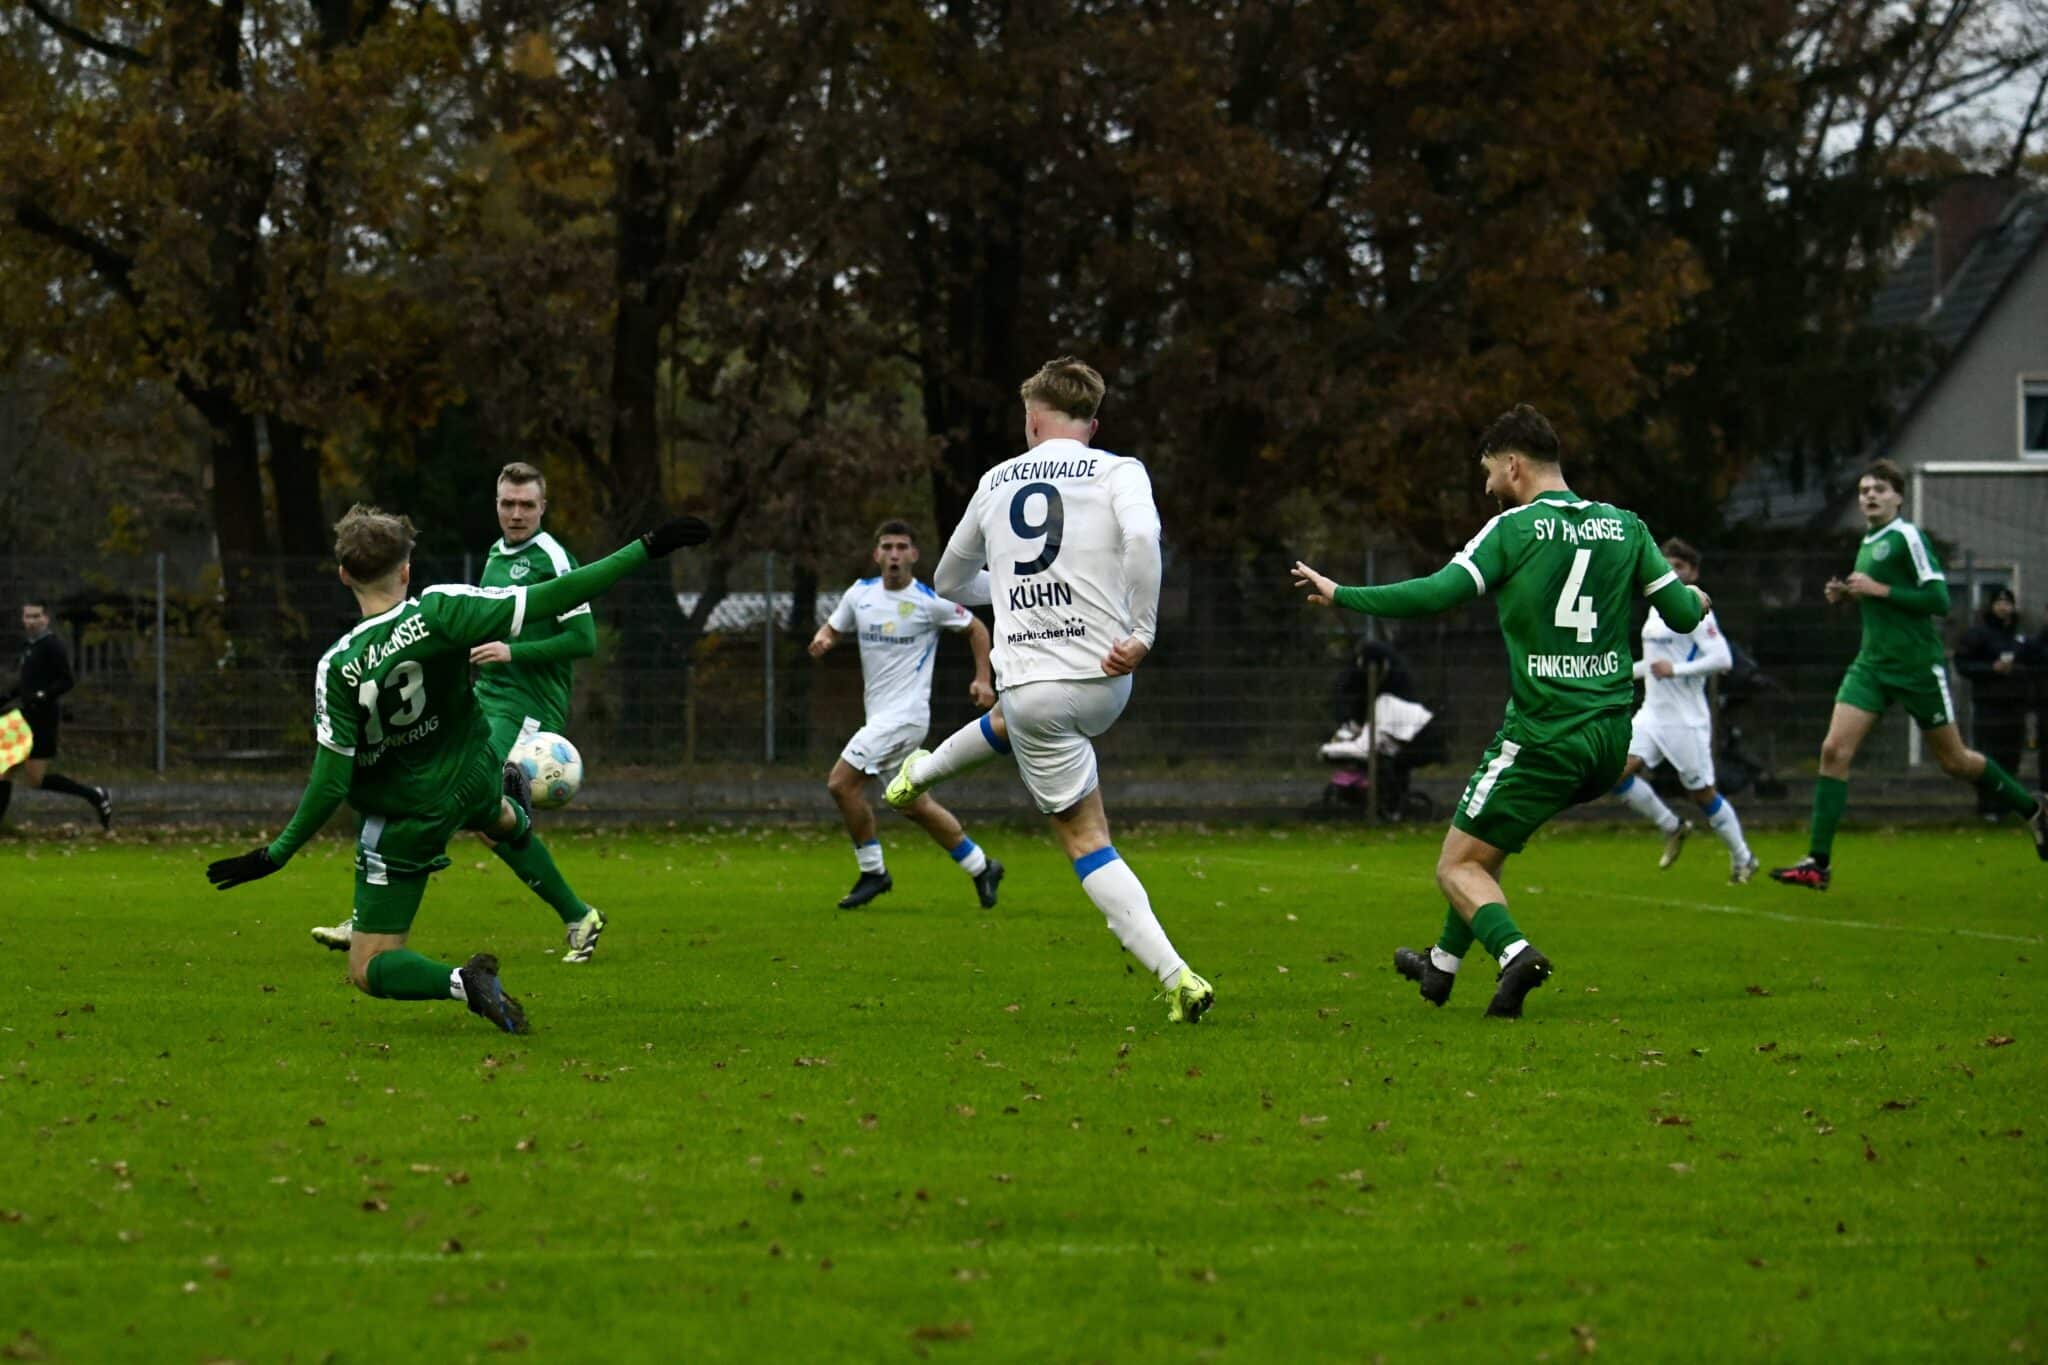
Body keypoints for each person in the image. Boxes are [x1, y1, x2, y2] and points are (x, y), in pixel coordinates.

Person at [205, 504, 710, 1035]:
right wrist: (647, 545)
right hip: (472, 775)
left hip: (408, 819)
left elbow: (331, 781)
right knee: (491, 814)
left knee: (369, 966)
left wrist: (275, 853)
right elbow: (555, 596)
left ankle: (464, 983)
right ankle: (512, 808)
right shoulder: (440, 610)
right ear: (406, 570)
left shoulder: (338, 665)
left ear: (343, 576)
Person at [1293, 403, 1711, 1018]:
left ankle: (1515, 954)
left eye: (1490, 473)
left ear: (1514, 465)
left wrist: (1343, 593)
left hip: (1544, 735)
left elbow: (1438, 592)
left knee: (1455, 865)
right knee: (1486, 849)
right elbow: (1680, 615)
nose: (1488, 488)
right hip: (1609, 742)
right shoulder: (1627, 527)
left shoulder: (1514, 530)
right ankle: (1440, 968)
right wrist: (1695, 597)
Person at [893, 356, 1214, 1023]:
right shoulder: (1120, 468)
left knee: (1084, 835)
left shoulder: (995, 480)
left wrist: (1006, 594)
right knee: (1025, 720)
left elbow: (949, 584)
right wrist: (1145, 632)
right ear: (1092, 424)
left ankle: (1176, 975)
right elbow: (1145, 538)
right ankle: (916, 775)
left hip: (1038, 687)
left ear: (1034, 419)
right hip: (1107, 675)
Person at [309, 462, 608, 961]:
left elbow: (585, 639)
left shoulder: (553, 557)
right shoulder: (495, 555)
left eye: (527, 505)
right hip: (487, 698)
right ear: (496, 505)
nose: (516, 514)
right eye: (508, 504)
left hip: (529, 705)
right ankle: (578, 916)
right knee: (464, 804)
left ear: (543, 508)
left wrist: (513, 653)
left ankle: (577, 915)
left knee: (454, 800)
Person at [1770, 461, 2046, 889]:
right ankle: (1817, 864)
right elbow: (1879, 599)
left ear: (1899, 496)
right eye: (1863, 490)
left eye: (1879, 489)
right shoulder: (1869, 540)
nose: (1869, 496)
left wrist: (1877, 590)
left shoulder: (1907, 536)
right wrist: (1846, 595)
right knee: (1833, 752)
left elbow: (1937, 599)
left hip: (1916, 667)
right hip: (1872, 666)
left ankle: (2034, 810)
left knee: (1955, 761)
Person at [809, 520, 1004, 910]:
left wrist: (984, 680)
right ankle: (982, 866)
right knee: (914, 804)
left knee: (840, 783)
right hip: (879, 718)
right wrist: (825, 638)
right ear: (876, 555)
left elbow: (977, 629)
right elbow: (833, 627)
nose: (894, 554)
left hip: (906, 718)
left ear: (914, 555)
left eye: (901, 547)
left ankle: (873, 871)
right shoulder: (859, 595)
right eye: (887, 547)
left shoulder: (928, 601)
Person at [1606, 538, 1758, 881]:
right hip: (1652, 714)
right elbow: (1657, 662)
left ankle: (1743, 857)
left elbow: (1722, 658)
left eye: (1680, 566)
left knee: (1701, 792)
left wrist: (1677, 671)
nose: (1672, 571)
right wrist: (1623, 673)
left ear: (1693, 572)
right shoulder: (1655, 607)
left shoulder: (1695, 609)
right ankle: (1672, 825)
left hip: (1685, 721)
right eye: (1666, 564)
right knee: (1612, 773)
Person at [0, 598, 113, 832]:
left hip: (43, 720)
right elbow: (25, 685)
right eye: (27, 616)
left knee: (36, 780)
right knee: (3, 768)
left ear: (46, 618)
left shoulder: (53, 646)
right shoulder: (30, 647)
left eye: (35, 617)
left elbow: (66, 681)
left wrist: (43, 695)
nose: (30, 622)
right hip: (24, 718)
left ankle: (95, 795)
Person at [1953, 586, 2030, 817]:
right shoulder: (1979, 634)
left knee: (2011, 757)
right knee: (1989, 757)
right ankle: (1987, 808)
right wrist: (1991, 669)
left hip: (2015, 705)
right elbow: (1963, 664)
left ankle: (2007, 809)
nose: (2004, 607)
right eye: (1999, 602)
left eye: (2008, 602)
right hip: (1989, 706)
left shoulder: (2019, 636)